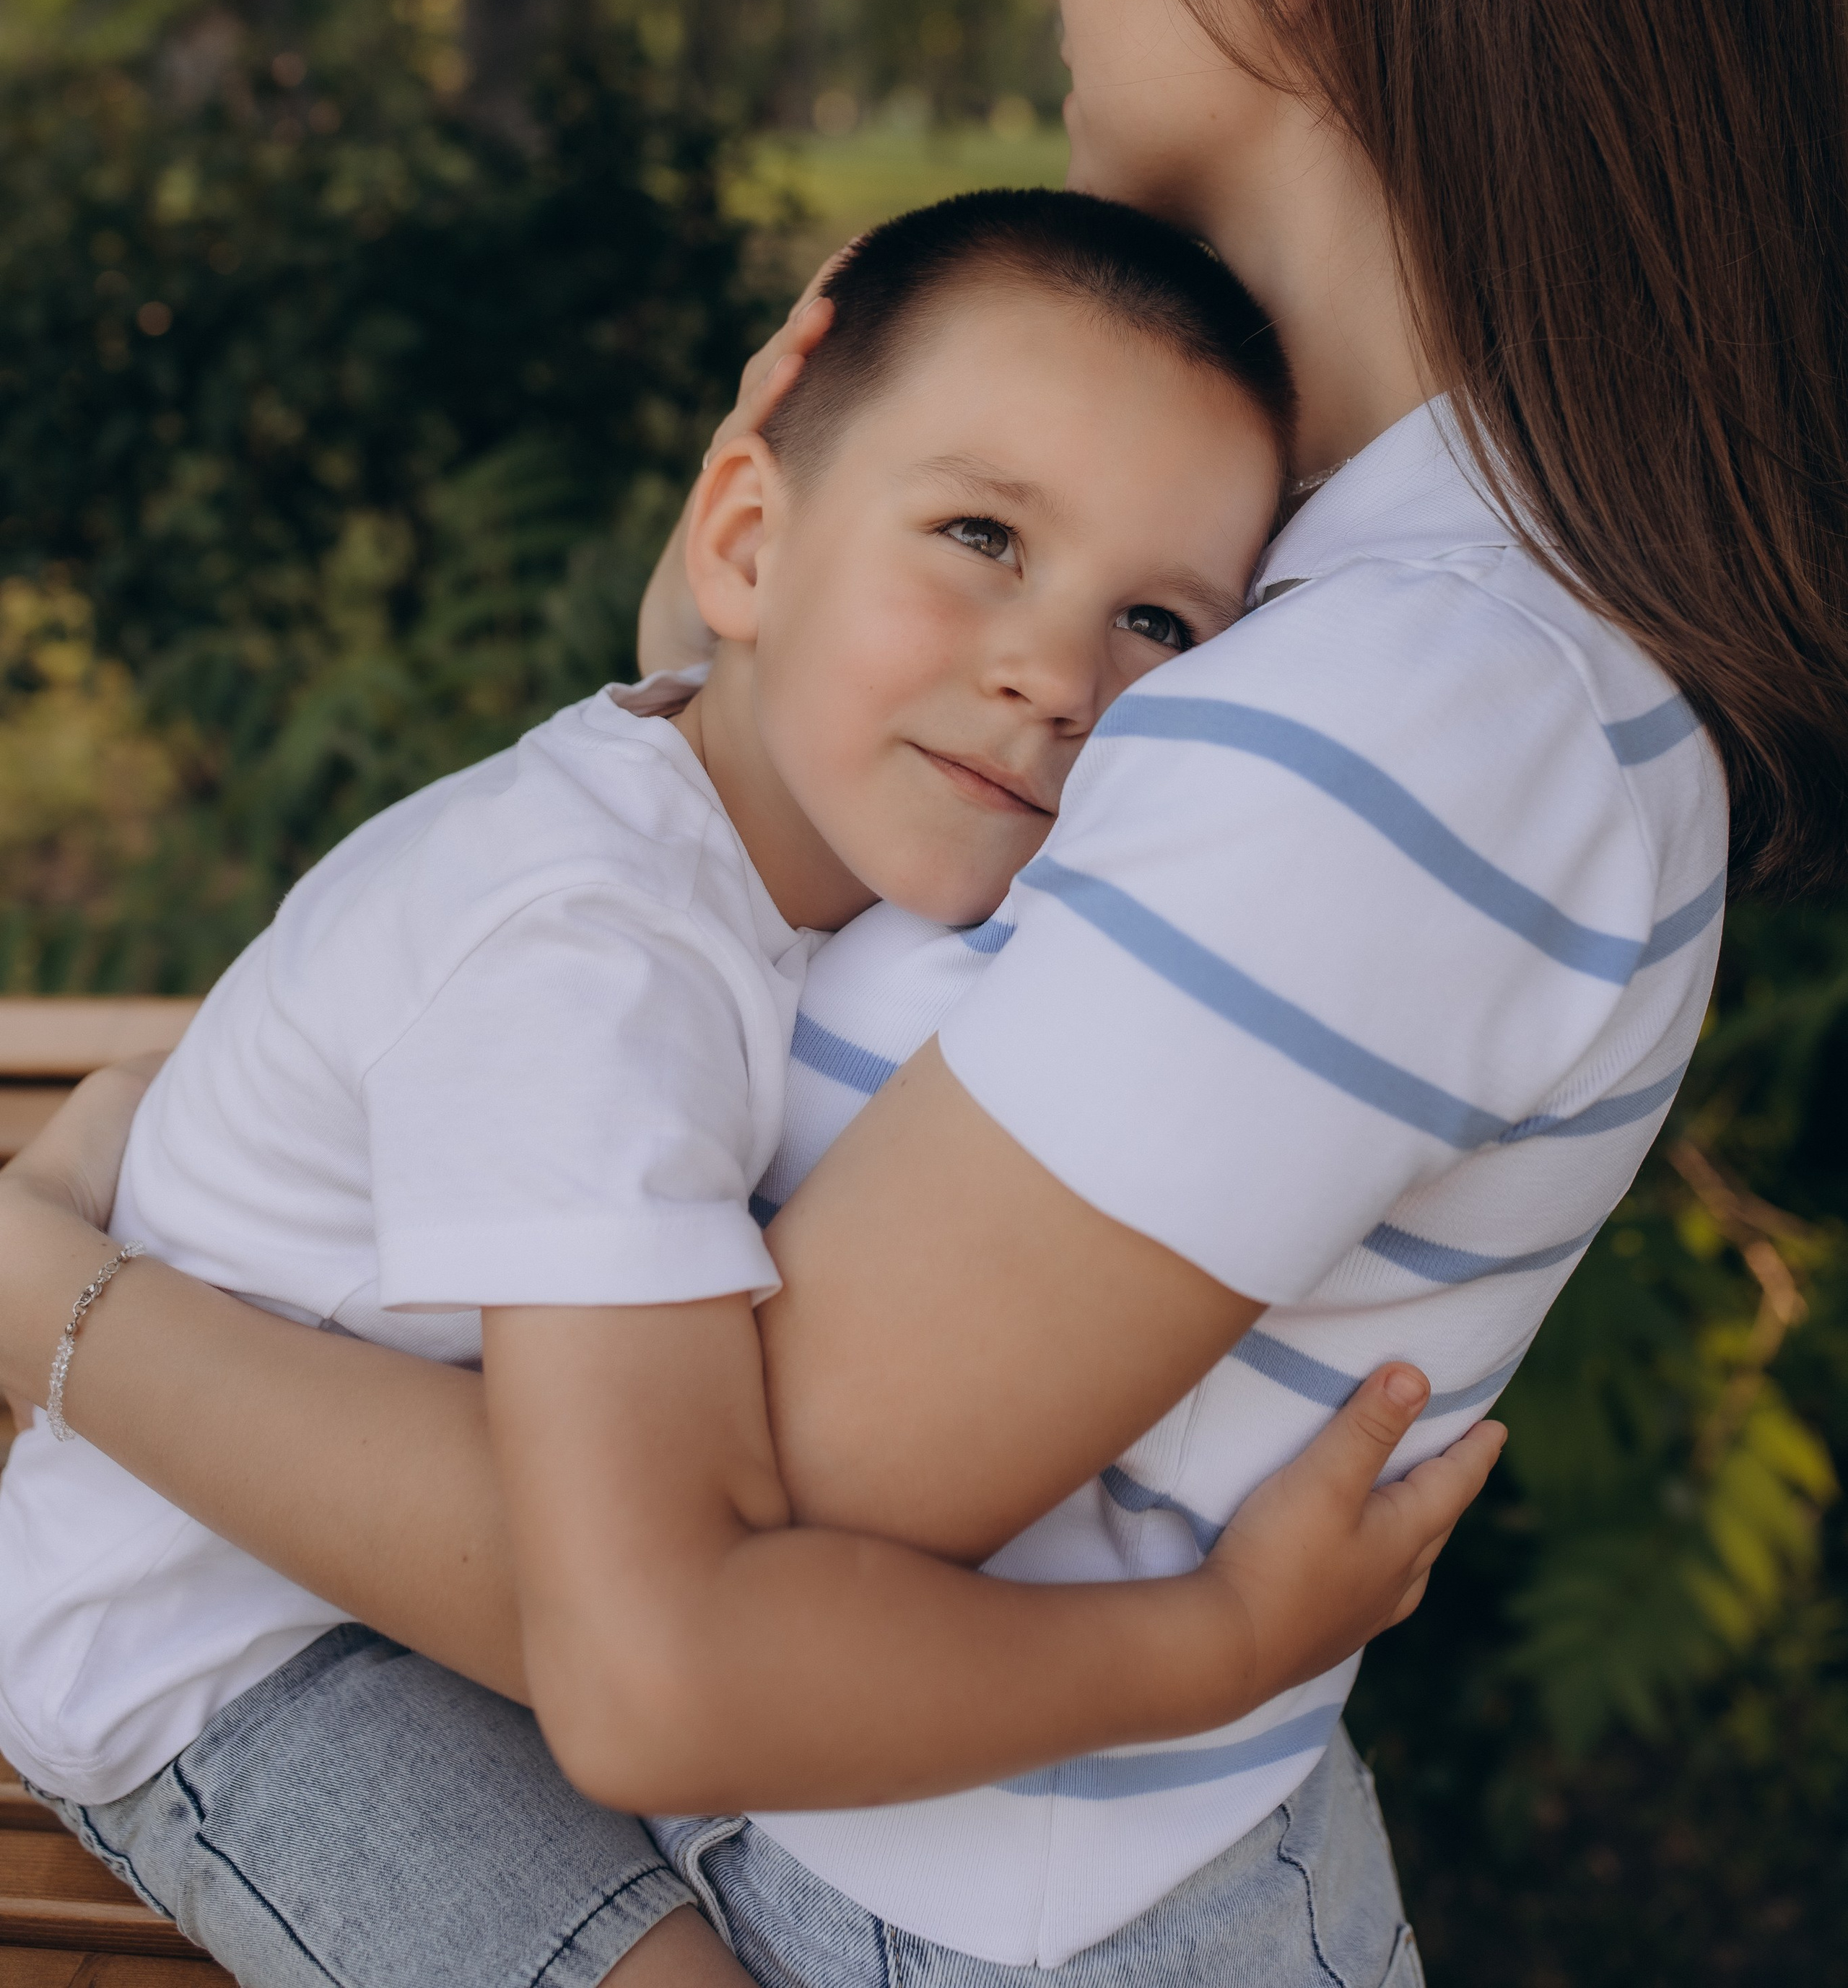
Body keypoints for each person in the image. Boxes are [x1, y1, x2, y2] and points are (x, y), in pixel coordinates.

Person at [3, 0, 1846, 1988]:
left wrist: (63, 1313)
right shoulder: (1287, 594)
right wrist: (729, 669)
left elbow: (722, 1565)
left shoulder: (1422, 704)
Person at [0, 188, 1492, 1988]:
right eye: (979, 533)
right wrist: (1221, 1636)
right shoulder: (589, 967)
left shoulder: (778, 814)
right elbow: (667, 1660)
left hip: (455, 1537)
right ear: (745, 545)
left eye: (1161, 622)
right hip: (221, 1635)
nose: (1055, 674)